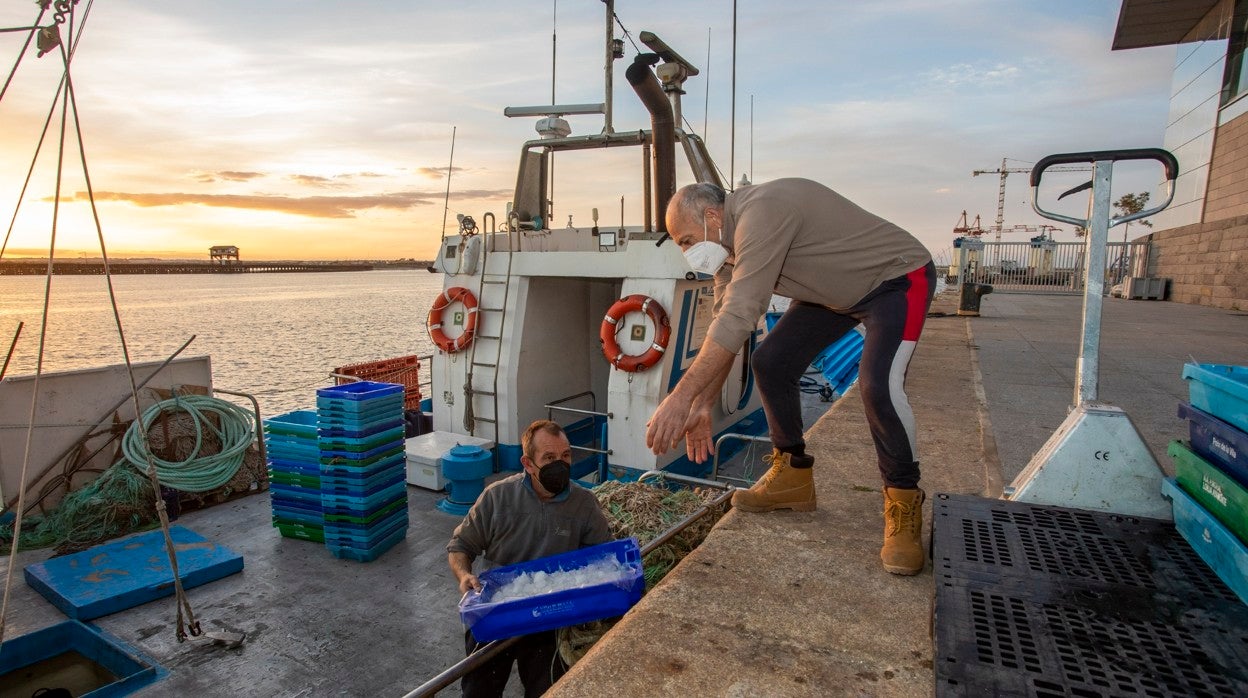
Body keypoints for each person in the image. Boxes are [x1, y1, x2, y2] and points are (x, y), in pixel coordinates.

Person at [645, 179, 936, 576]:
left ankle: (903, 498)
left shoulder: (761, 214)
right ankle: (794, 475)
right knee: (772, 363)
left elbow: (738, 317)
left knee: (878, 386)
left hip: (895, 280)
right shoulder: (726, 252)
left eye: (685, 240)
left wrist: (678, 399)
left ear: (713, 217)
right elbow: (726, 327)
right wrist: (703, 404)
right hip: (834, 296)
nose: (687, 252)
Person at [447, 420, 612, 697]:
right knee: (479, 690)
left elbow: (604, 557)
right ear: (527, 463)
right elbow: (460, 545)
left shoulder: (584, 504)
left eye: (565, 456)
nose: (560, 464)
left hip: (549, 616)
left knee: (547, 689)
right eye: (549, 458)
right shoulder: (497, 497)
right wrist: (464, 575)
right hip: (495, 613)